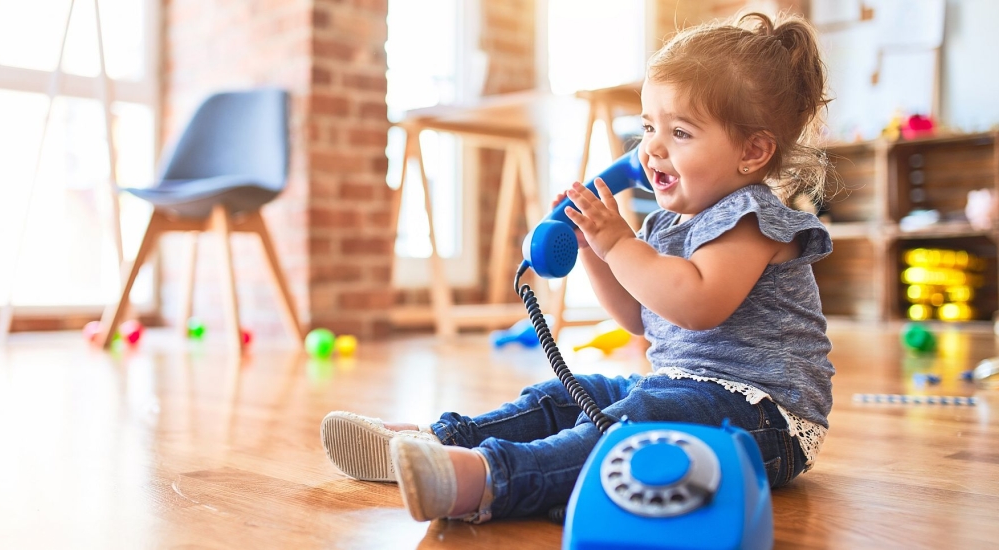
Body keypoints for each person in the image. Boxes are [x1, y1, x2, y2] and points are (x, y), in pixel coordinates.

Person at [321, 11, 835, 523]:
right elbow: (639, 317)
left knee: (629, 426)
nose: (651, 148)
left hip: (767, 422)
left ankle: (486, 479)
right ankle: (436, 440)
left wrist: (617, 244)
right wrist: (591, 246)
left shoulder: (752, 220)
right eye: (649, 126)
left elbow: (696, 304)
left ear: (753, 151)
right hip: (681, 392)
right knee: (569, 395)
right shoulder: (665, 225)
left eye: (680, 132)